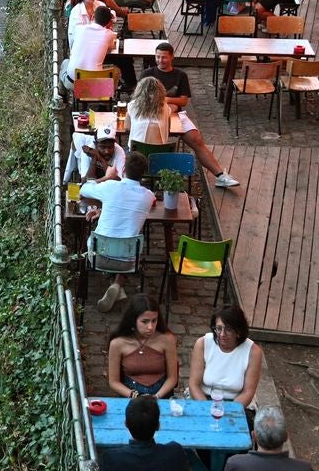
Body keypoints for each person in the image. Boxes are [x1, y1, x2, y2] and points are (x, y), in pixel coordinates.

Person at [138, 43, 239, 187]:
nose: (160, 60)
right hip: (152, 115)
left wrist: (166, 100)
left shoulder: (180, 75)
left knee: (197, 140)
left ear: (172, 57)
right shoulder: (147, 74)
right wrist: (170, 104)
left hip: (176, 115)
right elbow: (140, 98)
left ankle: (220, 175)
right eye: (157, 57)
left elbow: (184, 101)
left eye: (164, 57)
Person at [81, 152, 156, 309]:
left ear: (123, 170)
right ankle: (117, 284)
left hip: (98, 257)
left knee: (104, 241)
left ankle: (113, 285)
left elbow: (85, 189)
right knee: (125, 241)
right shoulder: (148, 197)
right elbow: (128, 210)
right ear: (144, 174)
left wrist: (107, 177)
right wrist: (103, 210)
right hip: (129, 263)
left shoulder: (111, 186)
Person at [189, 304, 264, 408]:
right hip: (203, 399)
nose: (222, 334)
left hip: (237, 403)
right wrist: (207, 409)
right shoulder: (203, 343)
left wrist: (227, 411)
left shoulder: (253, 352)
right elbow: (194, 385)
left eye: (228, 329)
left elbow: (247, 392)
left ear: (238, 331)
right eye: (219, 328)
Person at [107, 299, 180, 399]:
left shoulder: (167, 339)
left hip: (161, 395)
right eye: (144, 322)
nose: (150, 327)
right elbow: (114, 382)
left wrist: (157, 396)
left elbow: (172, 378)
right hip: (131, 396)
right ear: (133, 320)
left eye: (154, 321)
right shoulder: (117, 343)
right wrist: (135, 396)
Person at [65, 3, 118, 85]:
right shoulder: (109, 34)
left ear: (93, 17)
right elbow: (110, 49)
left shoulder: (79, 29)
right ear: (108, 23)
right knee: (116, 71)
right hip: (94, 85)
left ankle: (61, 94)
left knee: (65, 63)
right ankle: (107, 94)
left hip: (74, 83)